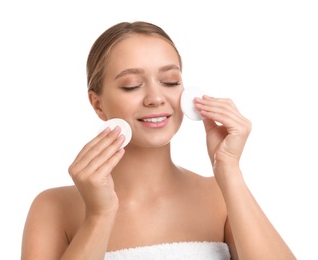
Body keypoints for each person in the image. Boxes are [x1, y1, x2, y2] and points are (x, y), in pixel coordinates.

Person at [21, 21, 296, 260]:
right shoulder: (53, 208)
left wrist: (229, 169)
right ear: (98, 104)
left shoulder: (220, 196)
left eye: (170, 81)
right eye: (131, 85)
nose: (155, 97)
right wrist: (99, 215)